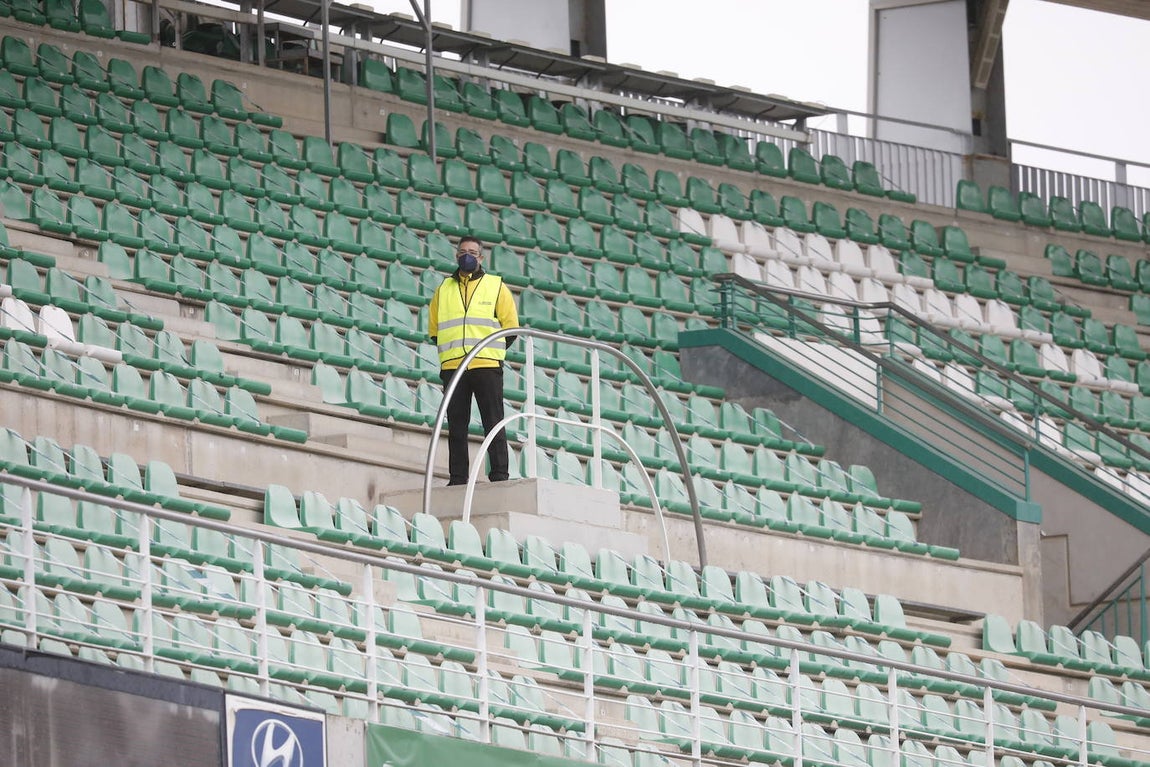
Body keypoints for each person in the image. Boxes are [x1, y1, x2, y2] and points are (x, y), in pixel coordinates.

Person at [428, 235, 520, 486]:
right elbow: (435, 330)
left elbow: (510, 328)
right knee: (457, 426)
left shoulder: (496, 286)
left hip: (486, 365)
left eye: (472, 251)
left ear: (481, 257)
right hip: (453, 367)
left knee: (493, 422)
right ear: (456, 255)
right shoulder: (443, 289)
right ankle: (458, 478)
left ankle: (500, 475)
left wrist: (490, 351)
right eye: (462, 251)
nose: (466, 255)